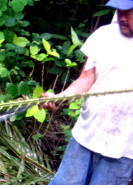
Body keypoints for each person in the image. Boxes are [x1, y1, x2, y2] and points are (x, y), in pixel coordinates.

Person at [42, 0, 133, 185]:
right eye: (119, 11)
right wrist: (61, 98)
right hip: (87, 134)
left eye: (129, 12)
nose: (122, 17)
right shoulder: (104, 36)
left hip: (123, 147)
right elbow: (86, 79)